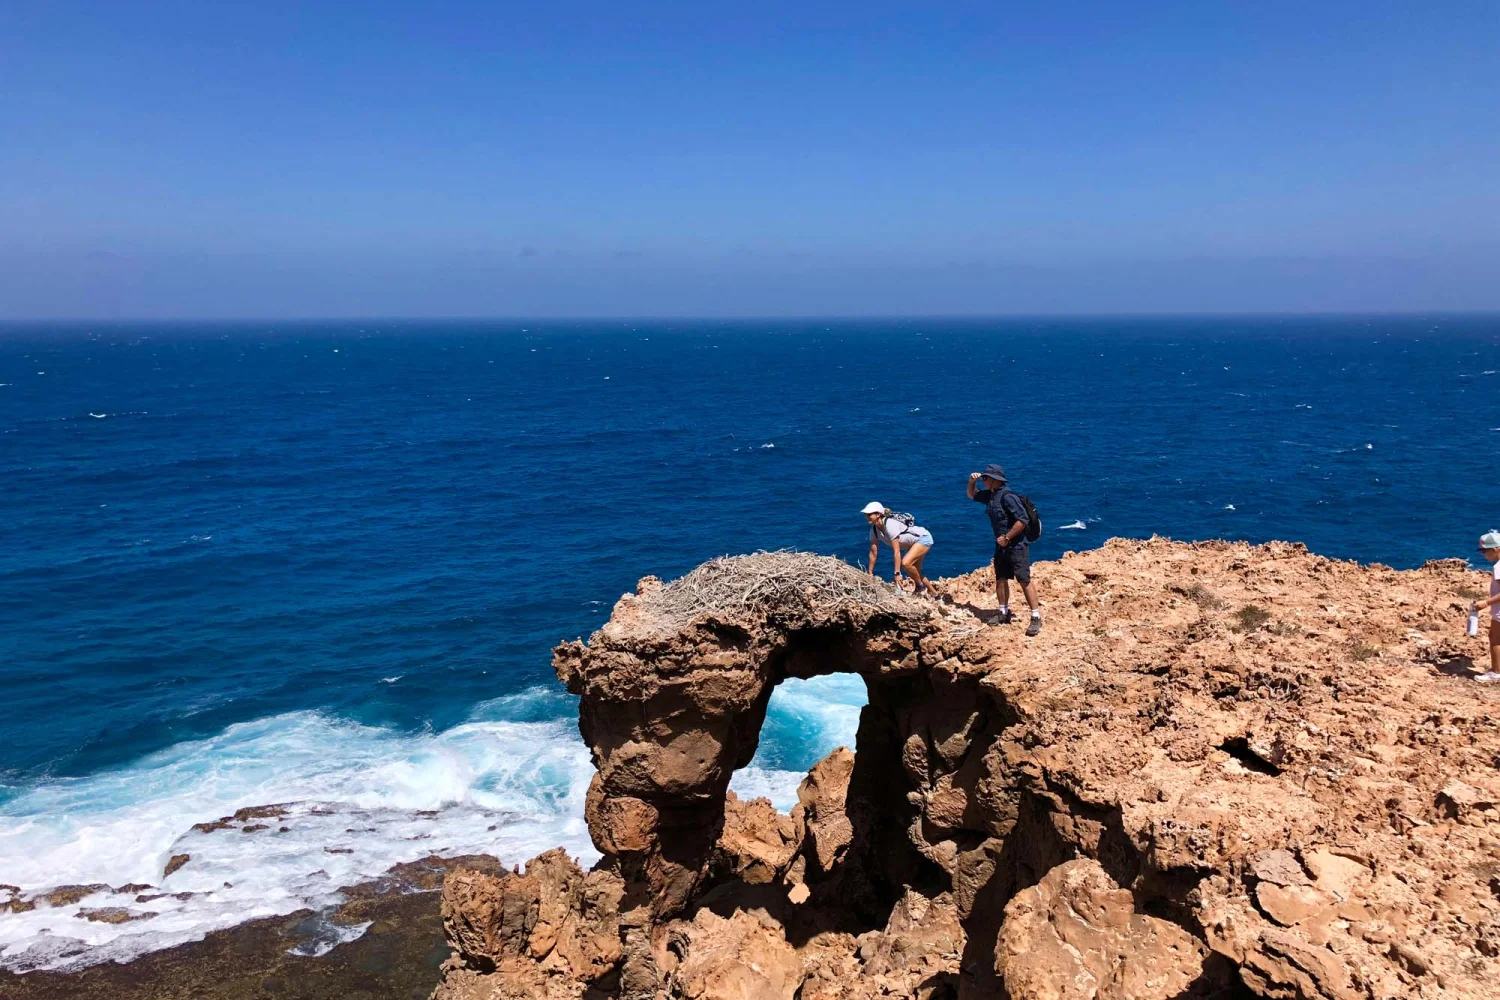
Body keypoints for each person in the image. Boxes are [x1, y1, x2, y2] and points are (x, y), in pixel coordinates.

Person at [966, 464, 1041, 635]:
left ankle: (1036, 617)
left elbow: (1022, 520)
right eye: (983, 478)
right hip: (1001, 545)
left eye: (985, 478)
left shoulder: (1008, 497)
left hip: (1016, 545)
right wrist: (971, 482)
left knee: (1024, 579)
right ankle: (1003, 612)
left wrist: (1007, 538)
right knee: (1000, 578)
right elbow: (972, 495)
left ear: (995, 480)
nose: (983, 481)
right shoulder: (991, 496)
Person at [861, 501, 937, 597]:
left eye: (869, 514)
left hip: (923, 538)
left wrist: (897, 573)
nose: (866, 517)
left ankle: (920, 587)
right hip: (913, 544)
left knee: (906, 563)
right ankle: (934, 594)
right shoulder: (874, 530)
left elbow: (896, 551)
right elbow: (873, 553)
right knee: (915, 571)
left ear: (878, 514)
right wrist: (870, 572)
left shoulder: (889, 525)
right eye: (866, 515)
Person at [1471, 531, 1500, 683]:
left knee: (1495, 639)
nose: (1483, 555)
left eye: (1484, 551)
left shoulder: (1498, 567)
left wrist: (1486, 603)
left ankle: (1496, 673)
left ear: (1495, 549)